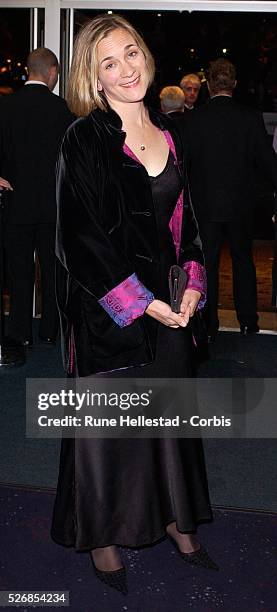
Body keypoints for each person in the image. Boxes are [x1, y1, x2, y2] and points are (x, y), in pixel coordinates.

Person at [51, 14, 217, 595]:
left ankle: (177, 518)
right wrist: (142, 304)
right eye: (109, 63)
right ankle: (102, 532)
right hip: (108, 312)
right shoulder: (84, 139)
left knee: (167, 418)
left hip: (173, 307)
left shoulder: (171, 132)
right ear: (93, 79)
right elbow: (80, 241)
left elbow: (188, 226)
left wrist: (193, 283)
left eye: (131, 53)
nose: (126, 69)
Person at [185, 58, 277, 340]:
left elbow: (185, 165)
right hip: (241, 205)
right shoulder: (250, 118)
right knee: (243, 261)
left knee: (208, 264)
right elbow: (268, 164)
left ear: (209, 85)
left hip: (205, 205)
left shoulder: (194, 119)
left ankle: (209, 324)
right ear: (234, 84)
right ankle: (248, 322)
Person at [0, 48, 73, 347]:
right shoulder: (61, 110)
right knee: (53, 272)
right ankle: (49, 331)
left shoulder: (6, 107)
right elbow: (70, 160)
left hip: (16, 204)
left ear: (29, 70)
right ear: (53, 71)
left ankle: (19, 333)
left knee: (19, 273)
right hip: (51, 207)